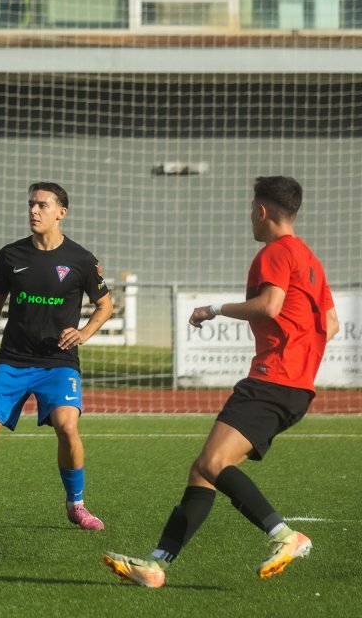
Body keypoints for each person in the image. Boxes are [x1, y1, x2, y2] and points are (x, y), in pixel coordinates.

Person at [104, 176, 337, 588]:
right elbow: (331, 324)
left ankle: (285, 536)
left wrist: (212, 308)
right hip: (298, 387)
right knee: (203, 471)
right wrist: (301, 347)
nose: (250, 218)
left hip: (271, 380)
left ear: (262, 212)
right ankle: (156, 565)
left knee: (213, 464)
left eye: (252, 210)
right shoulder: (311, 260)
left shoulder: (276, 253)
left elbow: (270, 306)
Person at [0, 183, 113, 533]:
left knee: (68, 428)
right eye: (31, 205)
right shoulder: (10, 256)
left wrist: (83, 333)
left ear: (61, 212)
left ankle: (77, 505)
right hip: (14, 360)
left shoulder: (81, 259)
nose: (33, 211)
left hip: (58, 363)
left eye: (42, 205)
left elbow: (105, 305)